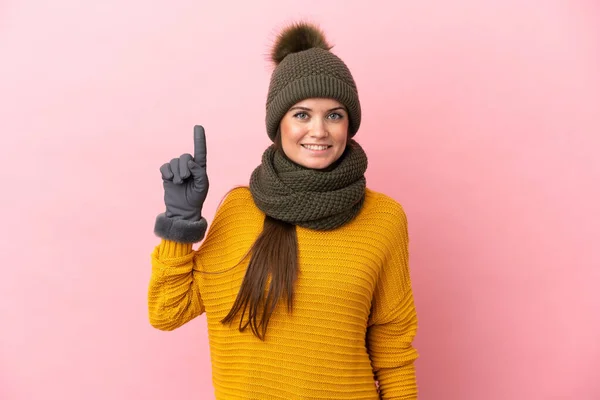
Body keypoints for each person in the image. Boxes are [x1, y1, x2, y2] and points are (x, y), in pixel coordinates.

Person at [148, 21, 419, 399]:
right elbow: (167, 312)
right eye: (302, 114)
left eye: (335, 115)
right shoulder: (239, 210)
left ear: (350, 124)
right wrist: (180, 224)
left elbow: (393, 348)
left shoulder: (384, 219)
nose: (320, 131)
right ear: (279, 124)